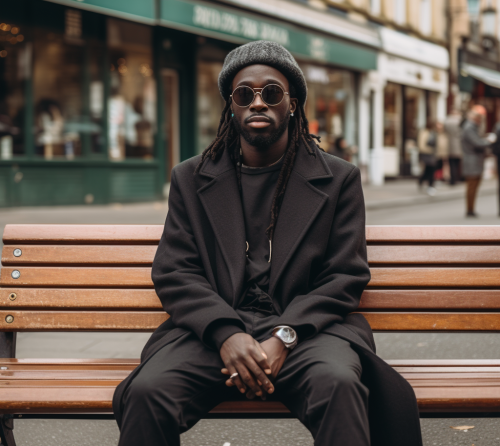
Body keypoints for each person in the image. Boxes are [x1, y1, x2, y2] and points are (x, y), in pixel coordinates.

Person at [113, 41, 422, 446]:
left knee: (338, 384)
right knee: (147, 391)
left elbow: (345, 274)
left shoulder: (338, 178)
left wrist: (285, 335)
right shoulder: (191, 177)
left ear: (292, 104)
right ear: (231, 107)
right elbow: (174, 270)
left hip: (308, 332)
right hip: (215, 330)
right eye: (245, 94)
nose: (258, 103)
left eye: (271, 92)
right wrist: (226, 334)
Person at [461, 105, 492, 217]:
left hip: (474, 160)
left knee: (473, 186)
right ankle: (470, 210)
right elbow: (477, 143)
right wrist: (489, 141)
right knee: (472, 186)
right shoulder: (469, 127)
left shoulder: (472, 127)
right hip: (472, 160)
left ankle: (471, 209)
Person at [417, 120, 438, 195]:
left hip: (431, 154)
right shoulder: (424, 133)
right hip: (426, 154)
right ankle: (426, 184)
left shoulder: (432, 133)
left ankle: (429, 185)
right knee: (428, 170)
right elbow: (422, 146)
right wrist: (431, 150)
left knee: (430, 170)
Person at [444, 109, 463, 185]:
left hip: (449, 144)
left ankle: (452, 179)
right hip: (459, 144)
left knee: (451, 163)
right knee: (458, 163)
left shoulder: (447, 121)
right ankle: (458, 178)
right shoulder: (460, 121)